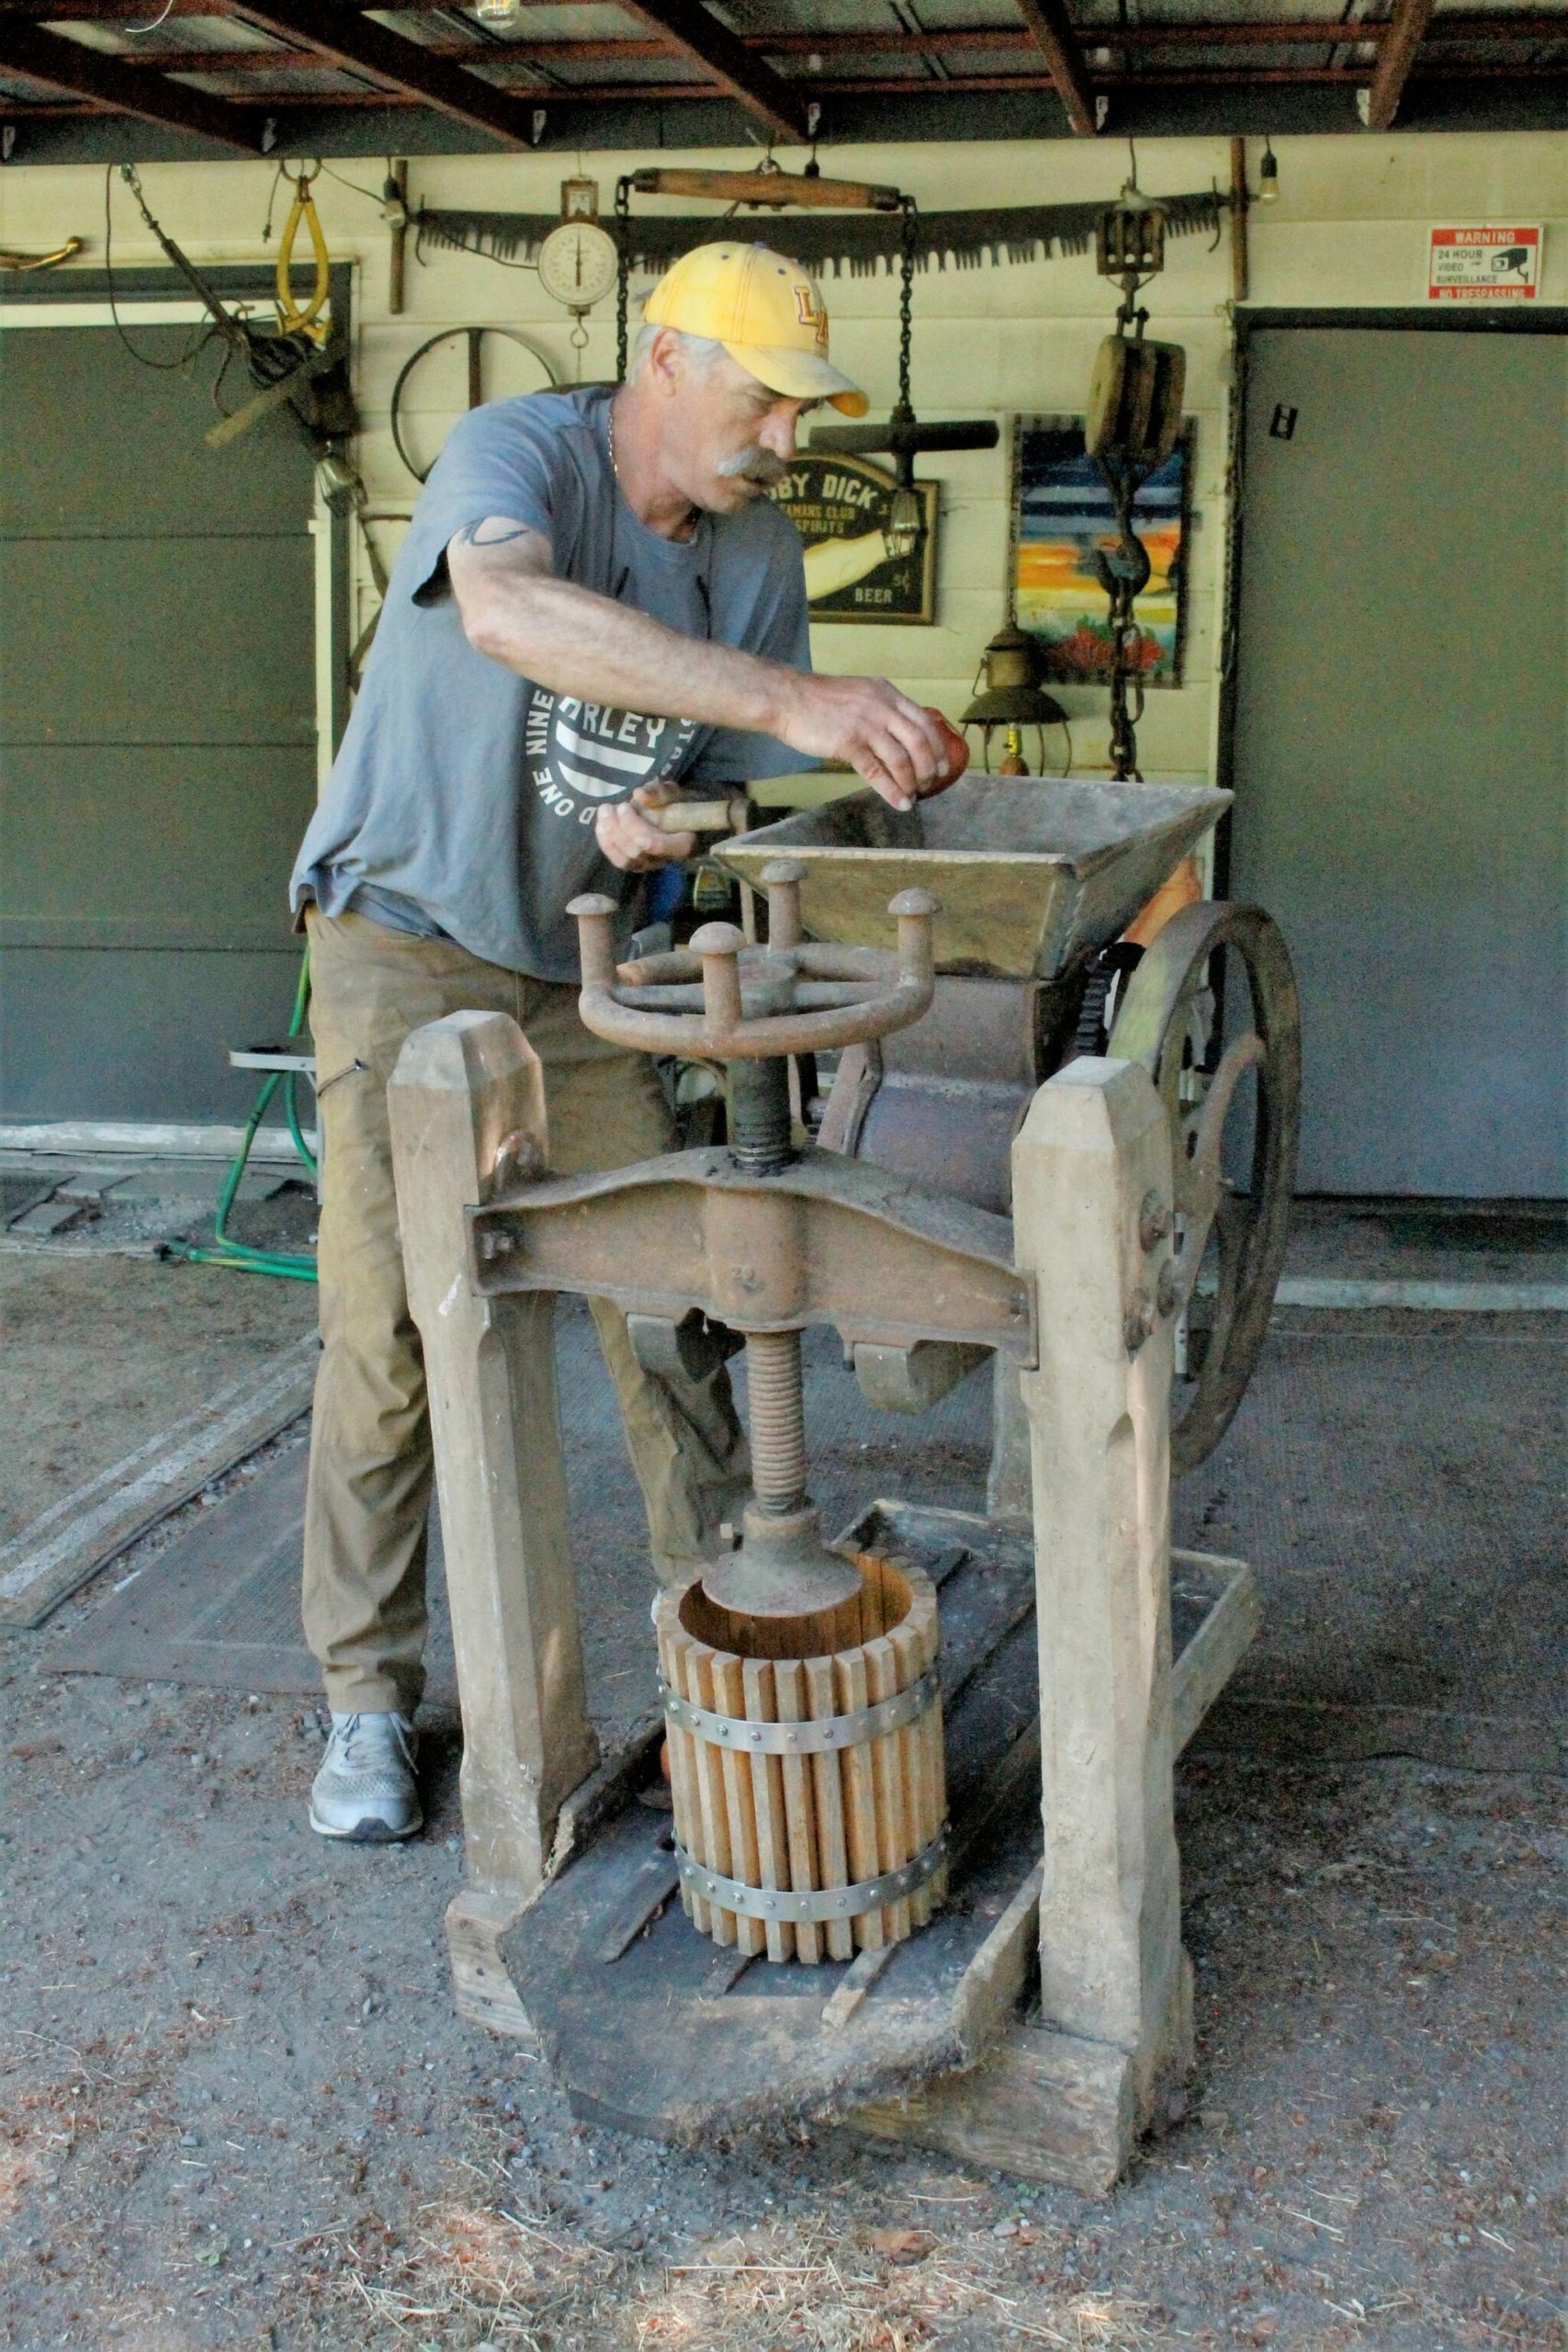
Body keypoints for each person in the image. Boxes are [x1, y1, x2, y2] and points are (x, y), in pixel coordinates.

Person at [289, 240, 960, 1841]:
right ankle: (368, 1703)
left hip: (583, 977)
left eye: (804, 412)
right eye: (767, 401)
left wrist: (678, 813)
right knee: (396, 1331)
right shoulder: (520, 453)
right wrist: (799, 709)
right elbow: (509, 611)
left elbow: (729, 772)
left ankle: (723, 1647)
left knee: (677, 1304)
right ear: (665, 363)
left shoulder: (756, 556)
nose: (788, 440)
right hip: (397, 940)